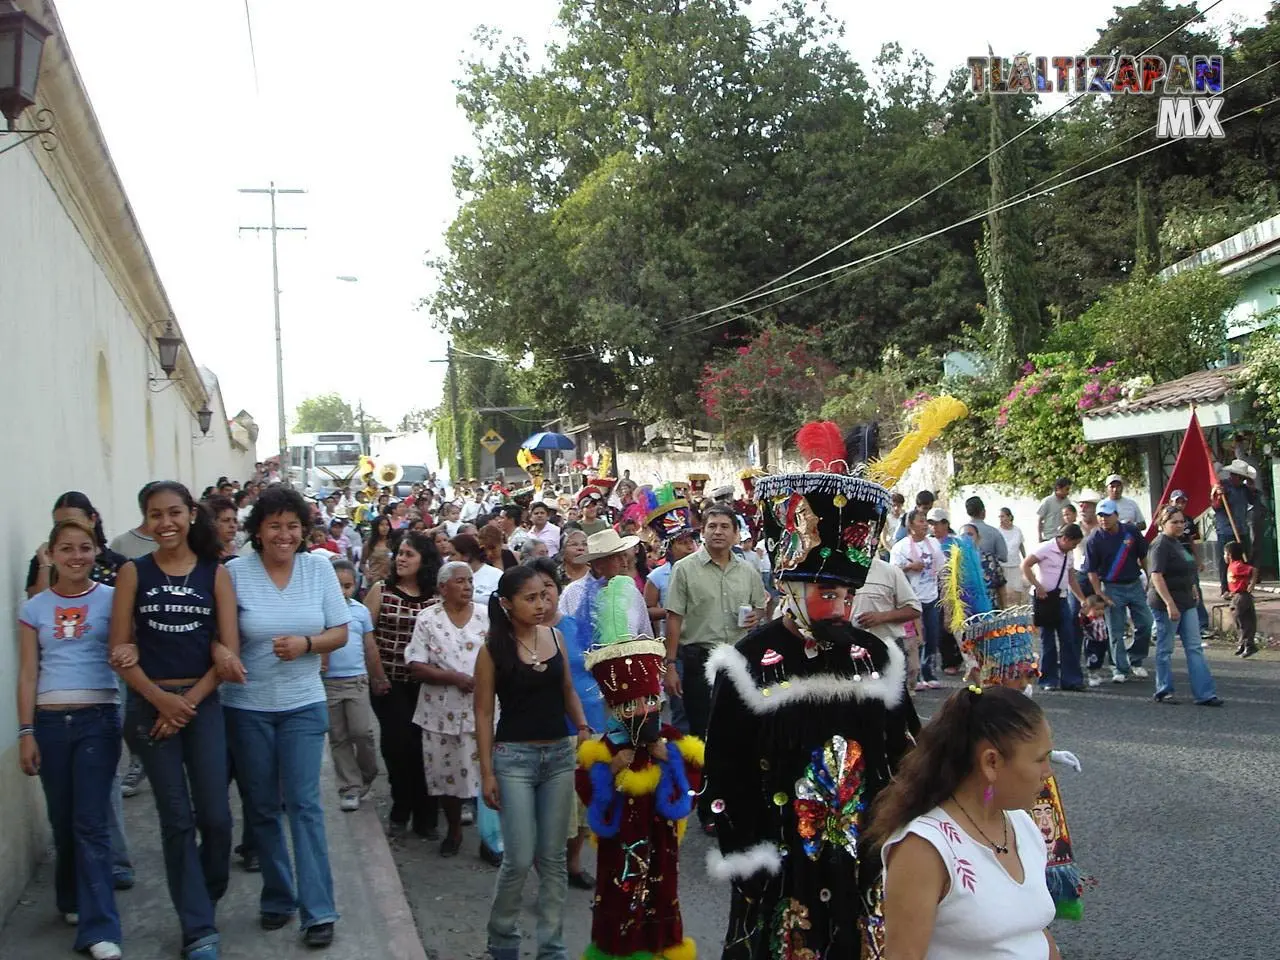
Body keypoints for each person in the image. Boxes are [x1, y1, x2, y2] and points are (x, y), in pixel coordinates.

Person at [702, 420, 920, 960]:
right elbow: (725, 761)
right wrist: (746, 852)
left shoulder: (875, 653)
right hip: (779, 854)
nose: (843, 607)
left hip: (862, 849)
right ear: (791, 588)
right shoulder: (748, 661)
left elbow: (905, 749)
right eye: (829, 593)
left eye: (849, 594)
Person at [107, 481, 244, 960]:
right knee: (177, 819)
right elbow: (119, 651)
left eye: (173, 513)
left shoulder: (215, 574)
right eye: (154, 514)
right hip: (150, 707)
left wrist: (186, 703)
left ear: (190, 515)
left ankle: (205, 890)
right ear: (146, 520)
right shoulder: (132, 573)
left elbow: (229, 653)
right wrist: (160, 701)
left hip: (201, 705)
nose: (164, 523)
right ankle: (198, 926)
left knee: (217, 817)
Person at [221, 485, 351, 947]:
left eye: (292, 525)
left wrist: (307, 645)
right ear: (257, 530)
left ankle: (318, 910)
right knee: (260, 807)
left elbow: (339, 631)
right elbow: (220, 636)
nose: (284, 534)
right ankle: (277, 896)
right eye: (274, 525)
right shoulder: (234, 573)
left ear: (303, 529)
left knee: (304, 804)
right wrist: (225, 655)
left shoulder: (318, 568)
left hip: (302, 702)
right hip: (246, 706)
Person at [865, 686, 1060, 960]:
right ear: (991, 762)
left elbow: (1033, 932)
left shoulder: (1020, 824)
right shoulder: (923, 849)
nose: (1048, 773)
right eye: (1040, 759)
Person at [575, 576, 703, 960]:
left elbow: (693, 786)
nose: (641, 711)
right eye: (630, 705)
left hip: (661, 844)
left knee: (663, 895)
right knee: (617, 897)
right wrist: (612, 768)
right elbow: (588, 793)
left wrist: (671, 761)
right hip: (619, 850)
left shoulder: (670, 741)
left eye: (649, 700)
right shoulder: (603, 748)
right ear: (614, 708)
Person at [17, 518, 126, 960]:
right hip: (48, 722)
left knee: (90, 823)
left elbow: (127, 650)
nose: (76, 557)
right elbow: (28, 674)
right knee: (63, 822)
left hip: (98, 719)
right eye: (67, 549)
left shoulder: (114, 600)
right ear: (52, 554)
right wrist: (26, 731)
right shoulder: (34, 609)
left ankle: (101, 928)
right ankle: (70, 898)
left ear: (96, 552)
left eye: (85, 548)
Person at [474, 566, 592, 960]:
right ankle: (503, 938)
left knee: (554, 857)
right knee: (520, 858)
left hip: (559, 755)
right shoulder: (492, 649)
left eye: (544, 595)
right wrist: (487, 771)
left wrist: (581, 724)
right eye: (530, 598)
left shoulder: (556, 637)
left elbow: (567, 690)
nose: (541, 604)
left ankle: (552, 947)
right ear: (507, 604)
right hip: (514, 760)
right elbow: (483, 713)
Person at [24, 492, 135, 884]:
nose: (74, 550)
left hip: (104, 691)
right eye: (59, 529)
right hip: (55, 706)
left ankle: (115, 862)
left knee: (101, 791)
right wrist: (43, 565)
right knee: (67, 805)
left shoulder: (118, 570)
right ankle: (74, 885)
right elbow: (35, 611)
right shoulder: (45, 571)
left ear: (92, 521)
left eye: (77, 527)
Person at [662, 501, 766, 825]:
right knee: (704, 736)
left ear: (736, 534)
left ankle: (737, 800)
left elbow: (762, 608)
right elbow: (673, 618)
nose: (718, 532)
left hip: (738, 659)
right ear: (702, 531)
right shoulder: (685, 569)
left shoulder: (748, 571)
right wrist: (669, 665)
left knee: (741, 732)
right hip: (698, 661)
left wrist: (757, 615)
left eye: (724, 527)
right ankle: (709, 806)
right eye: (712, 526)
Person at [404, 561, 489, 856]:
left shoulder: (485, 615)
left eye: (469, 581)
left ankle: (490, 839)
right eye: (460, 581)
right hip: (440, 713)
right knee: (447, 774)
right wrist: (454, 678)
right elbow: (416, 665)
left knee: (488, 775)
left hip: (483, 710)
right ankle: (453, 832)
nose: (467, 586)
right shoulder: (428, 619)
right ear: (443, 587)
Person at [364, 530, 443, 839]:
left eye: (409, 554)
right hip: (390, 683)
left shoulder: (437, 595)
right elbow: (365, 632)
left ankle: (426, 815)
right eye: (400, 553)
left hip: (428, 685)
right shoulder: (381, 590)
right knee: (399, 745)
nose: (401, 558)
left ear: (424, 560)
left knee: (427, 747)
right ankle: (401, 807)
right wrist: (376, 674)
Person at [526, 557, 600, 887]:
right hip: (545, 730)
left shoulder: (576, 626)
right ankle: (548, 870)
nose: (543, 598)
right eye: (534, 593)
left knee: (584, 803)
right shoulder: (520, 635)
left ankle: (572, 864)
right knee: (553, 808)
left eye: (549, 589)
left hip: (589, 724)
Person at [1148, 504, 1223, 706]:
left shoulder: (1177, 543)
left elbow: (1186, 568)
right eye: (1175, 522)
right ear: (1163, 524)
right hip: (1166, 605)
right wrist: (1170, 604)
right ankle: (1163, 690)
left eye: (1182, 521)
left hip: (1187, 602)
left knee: (1194, 648)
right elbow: (1156, 576)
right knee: (1165, 649)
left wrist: (1192, 587)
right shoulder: (1160, 544)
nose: (1180, 525)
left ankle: (1205, 694)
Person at [325, 560, 380, 811]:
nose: (343, 591)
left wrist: (378, 676)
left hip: (356, 680)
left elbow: (370, 647)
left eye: (348, 586)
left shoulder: (360, 612)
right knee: (338, 737)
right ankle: (349, 786)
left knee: (362, 732)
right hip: (329, 684)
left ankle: (368, 773)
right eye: (337, 586)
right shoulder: (320, 612)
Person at [1085, 498, 1152, 684]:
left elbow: (1144, 555)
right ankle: (1119, 667)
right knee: (1115, 631)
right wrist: (1100, 593)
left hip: (1134, 584)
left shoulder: (1130, 531)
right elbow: (1091, 570)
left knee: (1146, 623)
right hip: (1111, 586)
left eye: (1107, 515)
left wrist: (1150, 578)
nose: (1103, 519)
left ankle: (1135, 658)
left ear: (1116, 515)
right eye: (1100, 516)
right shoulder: (1094, 538)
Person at [1021, 524, 1089, 692]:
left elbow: (1071, 578)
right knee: (1048, 640)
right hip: (1044, 599)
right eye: (1073, 544)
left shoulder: (1068, 554)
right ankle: (1048, 679)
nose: (1074, 547)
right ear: (1065, 539)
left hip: (1062, 599)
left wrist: (1082, 599)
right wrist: (1038, 586)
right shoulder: (1045, 548)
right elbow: (1026, 565)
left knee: (1068, 639)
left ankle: (1071, 680)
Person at [890, 508, 946, 691]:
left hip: (931, 596)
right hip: (911, 599)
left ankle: (928, 671)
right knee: (914, 638)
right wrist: (910, 566)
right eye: (921, 521)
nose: (925, 525)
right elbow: (893, 573)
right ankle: (915, 675)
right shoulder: (901, 547)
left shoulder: (934, 544)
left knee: (931, 635)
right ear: (911, 525)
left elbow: (941, 569)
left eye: (926, 521)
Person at [1211, 460, 1258, 593]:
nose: (1240, 479)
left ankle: (1243, 588)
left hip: (1241, 529)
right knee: (1225, 560)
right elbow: (1216, 506)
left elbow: (1254, 500)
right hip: (1226, 530)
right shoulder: (1222, 487)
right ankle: (1225, 589)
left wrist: (1252, 489)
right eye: (1238, 476)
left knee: (1244, 559)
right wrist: (1217, 495)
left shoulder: (1244, 489)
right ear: (1232, 475)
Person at [964, 496, 1008, 607]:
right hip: (989, 587)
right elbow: (1003, 556)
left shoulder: (960, 531)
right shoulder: (994, 532)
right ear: (983, 512)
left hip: (968, 591)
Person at [109, 482, 162, 560]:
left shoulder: (181, 540)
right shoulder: (121, 543)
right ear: (142, 508)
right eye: (156, 512)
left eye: (174, 512)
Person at [1225, 541, 1259, 658]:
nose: (1224, 556)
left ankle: (1248, 645)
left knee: (1244, 622)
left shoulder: (1238, 566)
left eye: (1225, 554)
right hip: (1236, 595)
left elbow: (1253, 570)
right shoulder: (1232, 565)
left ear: (1229, 554)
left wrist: (1252, 584)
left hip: (1242, 597)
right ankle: (1243, 644)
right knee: (1239, 621)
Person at [453, 533, 504, 605]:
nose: (449, 559)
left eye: (453, 554)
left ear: (466, 556)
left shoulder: (496, 575)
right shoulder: (450, 576)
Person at [999, 506, 1028, 604]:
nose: (1001, 519)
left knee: (1018, 588)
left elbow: (1021, 545)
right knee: (1005, 591)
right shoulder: (998, 532)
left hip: (1015, 564)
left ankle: (1018, 610)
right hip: (1002, 565)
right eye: (1000, 517)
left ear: (1009, 517)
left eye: (1003, 516)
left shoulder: (1017, 530)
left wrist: (1026, 559)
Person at [1036, 477, 1073, 541]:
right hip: (1048, 537)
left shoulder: (1067, 502)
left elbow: (1069, 519)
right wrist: (1040, 536)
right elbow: (1040, 520)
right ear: (1058, 488)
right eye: (1066, 489)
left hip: (1062, 537)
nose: (1068, 492)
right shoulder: (1047, 501)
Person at [207, 495, 241, 562]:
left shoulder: (242, 549)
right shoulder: (205, 554)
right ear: (212, 522)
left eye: (235, 521)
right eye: (226, 520)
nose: (232, 525)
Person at [362, 515, 394, 586]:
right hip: (375, 581)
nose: (385, 527)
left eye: (387, 525)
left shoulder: (393, 543)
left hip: (390, 580)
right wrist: (367, 573)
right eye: (381, 525)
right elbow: (362, 563)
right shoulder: (369, 544)